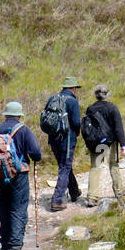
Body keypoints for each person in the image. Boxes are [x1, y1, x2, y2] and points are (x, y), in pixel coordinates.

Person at [0, 101, 43, 250]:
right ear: (19, 115)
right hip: (19, 174)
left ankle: (5, 242)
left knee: (3, 206)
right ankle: (16, 244)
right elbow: (36, 153)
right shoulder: (23, 130)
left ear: (5, 115)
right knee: (18, 208)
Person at [82, 84, 125, 206]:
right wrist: (123, 144)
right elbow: (118, 128)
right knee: (113, 165)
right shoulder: (112, 108)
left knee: (95, 167)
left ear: (96, 95)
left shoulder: (90, 109)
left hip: (96, 142)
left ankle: (92, 197)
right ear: (107, 94)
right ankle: (119, 191)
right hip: (110, 142)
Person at [43, 78, 84, 212]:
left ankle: (74, 192)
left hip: (53, 139)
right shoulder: (72, 101)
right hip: (67, 141)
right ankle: (58, 200)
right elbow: (77, 122)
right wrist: (76, 134)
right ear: (73, 88)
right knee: (64, 168)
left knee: (64, 166)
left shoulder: (52, 99)